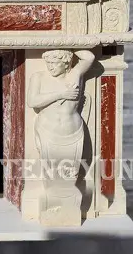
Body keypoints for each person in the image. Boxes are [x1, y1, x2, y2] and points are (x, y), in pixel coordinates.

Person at [26, 49, 95, 224]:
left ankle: (68, 213)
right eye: (48, 63)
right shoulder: (39, 77)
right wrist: (60, 94)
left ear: (66, 63)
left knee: (70, 175)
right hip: (48, 131)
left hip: (72, 131)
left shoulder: (74, 75)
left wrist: (67, 41)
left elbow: (89, 57)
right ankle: (53, 211)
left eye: (55, 63)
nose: (50, 67)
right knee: (51, 176)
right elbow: (32, 101)